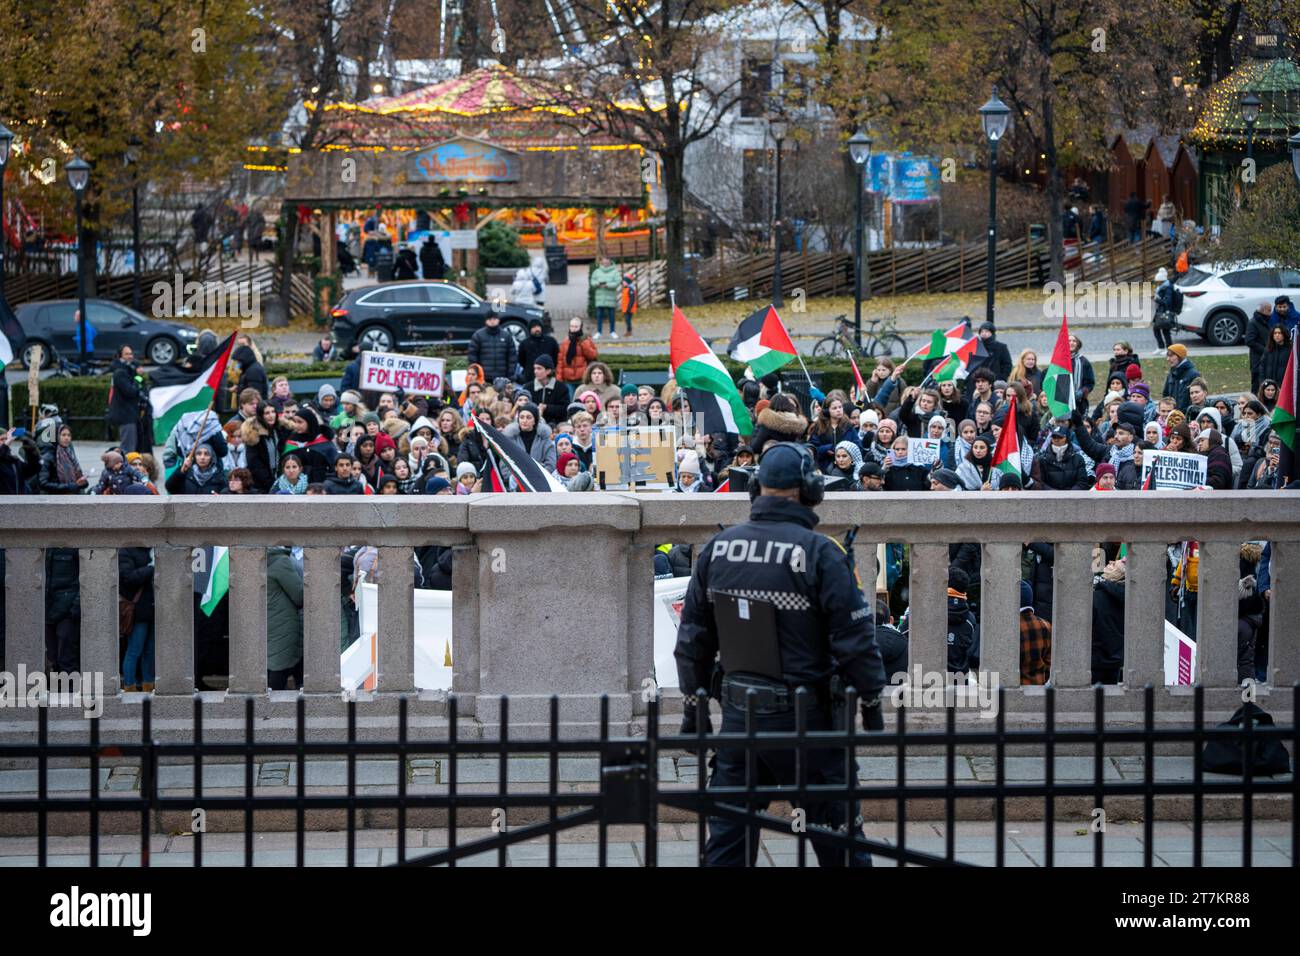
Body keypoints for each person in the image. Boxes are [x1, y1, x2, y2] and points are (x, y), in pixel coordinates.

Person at [674, 442, 886, 867]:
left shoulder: (718, 548)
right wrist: (871, 699)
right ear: (810, 490)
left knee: (727, 850)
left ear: (757, 488)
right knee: (840, 849)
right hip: (808, 725)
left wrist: (693, 700)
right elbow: (856, 640)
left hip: (739, 720)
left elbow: (693, 638)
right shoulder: (822, 552)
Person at [118, 542, 156, 692]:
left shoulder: (154, 548)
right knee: (134, 650)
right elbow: (128, 578)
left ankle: (148, 685)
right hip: (138, 611)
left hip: (155, 610)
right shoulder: (126, 550)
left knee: (150, 652)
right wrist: (151, 568)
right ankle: (129, 686)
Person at [266, 545, 305, 690]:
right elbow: (299, 595)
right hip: (284, 621)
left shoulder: (262, 557)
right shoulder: (281, 561)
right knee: (279, 665)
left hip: (268, 617)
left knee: (272, 662)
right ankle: (274, 706)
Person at [1092, 557, 1126, 684]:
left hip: (1095, 660)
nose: (1110, 562)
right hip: (1116, 661)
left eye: (1113, 565)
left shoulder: (1095, 598)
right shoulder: (1129, 600)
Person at [106, 345, 145, 454]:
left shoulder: (128, 369)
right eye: (127, 354)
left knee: (132, 446)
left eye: (131, 353)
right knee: (128, 448)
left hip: (130, 414)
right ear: (120, 356)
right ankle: (125, 469)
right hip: (126, 415)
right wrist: (138, 378)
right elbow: (130, 392)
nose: (130, 356)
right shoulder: (120, 373)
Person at [467, 313, 518, 384]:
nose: (492, 321)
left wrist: (510, 374)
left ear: (498, 320)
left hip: (503, 378)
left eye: (494, 319)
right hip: (484, 378)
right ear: (486, 321)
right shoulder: (478, 335)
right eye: (490, 319)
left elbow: (512, 356)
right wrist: (476, 374)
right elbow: (472, 356)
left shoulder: (506, 336)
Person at [38, 424, 88, 494]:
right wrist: (69, 486)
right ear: (56, 437)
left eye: (69, 435)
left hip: (71, 495)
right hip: (54, 497)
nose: (67, 438)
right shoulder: (48, 457)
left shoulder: (70, 454)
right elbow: (43, 483)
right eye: (63, 435)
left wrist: (83, 482)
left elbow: (78, 474)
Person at [1019, 580, 1052, 685]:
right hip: (1039, 688)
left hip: (1013, 690)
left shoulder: (1009, 628)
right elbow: (1049, 662)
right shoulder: (1046, 625)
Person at [556, 317, 598, 391]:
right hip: (568, 379)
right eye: (572, 326)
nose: (573, 329)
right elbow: (560, 361)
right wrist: (559, 378)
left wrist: (583, 342)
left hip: (582, 379)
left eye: (576, 327)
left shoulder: (585, 340)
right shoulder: (565, 342)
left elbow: (593, 356)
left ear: (580, 327)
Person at [517, 318, 559, 384]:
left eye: (538, 326)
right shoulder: (524, 343)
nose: (537, 329)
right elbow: (521, 360)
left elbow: (556, 357)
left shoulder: (551, 341)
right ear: (530, 329)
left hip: (548, 376)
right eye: (534, 327)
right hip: (530, 376)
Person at [589, 255, 622, 339]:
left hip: (610, 297)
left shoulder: (615, 272)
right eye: (604, 262)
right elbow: (592, 281)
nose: (605, 263)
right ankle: (599, 332)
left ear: (610, 262)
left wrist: (607, 285)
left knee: (612, 316)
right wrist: (597, 284)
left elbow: (617, 282)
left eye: (607, 262)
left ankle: (612, 331)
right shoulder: (597, 271)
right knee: (599, 315)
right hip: (600, 297)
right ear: (601, 262)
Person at [1245, 301, 1273, 395]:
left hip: (1265, 359)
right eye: (1269, 310)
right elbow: (1249, 341)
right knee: (1257, 386)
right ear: (1263, 310)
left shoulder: (1267, 321)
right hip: (1257, 360)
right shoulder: (1253, 322)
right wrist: (1265, 350)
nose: (1271, 312)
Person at [1161, 344, 1199, 412]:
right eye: (1167, 356)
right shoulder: (1171, 374)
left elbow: (1196, 399)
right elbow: (1165, 396)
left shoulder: (1193, 375)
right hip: (1171, 416)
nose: (1168, 359)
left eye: (1171, 356)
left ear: (1180, 356)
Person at [1152, 268, 1180, 352]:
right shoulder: (1162, 286)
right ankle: (1161, 347)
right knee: (1156, 329)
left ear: (1162, 280)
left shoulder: (1168, 288)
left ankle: (1169, 349)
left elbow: (1167, 302)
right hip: (1160, 311)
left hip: (1165, 311)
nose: (1157, 283)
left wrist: (1156, 299)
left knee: (1165, 331)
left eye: (1158, 281)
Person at [618, 271, 638, 337]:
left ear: (627, 282)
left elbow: (632, 300)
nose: (623, 283)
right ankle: (628, 331)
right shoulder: (625, 289)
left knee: (628, 320)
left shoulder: (630, 290)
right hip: (625, 308)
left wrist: (628, 308)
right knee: (627, 320)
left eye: (624, 282)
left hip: (629, 309)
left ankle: (629, 331)